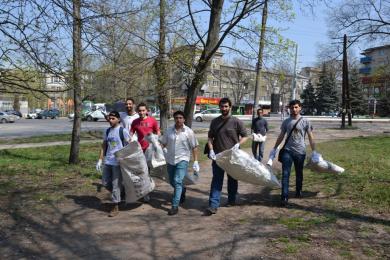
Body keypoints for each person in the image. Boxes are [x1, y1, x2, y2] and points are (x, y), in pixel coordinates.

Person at [269, 99, 316, 207]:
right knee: (285, 174)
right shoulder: (286, 122)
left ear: (300, 108)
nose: (294, 109)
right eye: (292, 107)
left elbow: (310, 136)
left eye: (296, 107)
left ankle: (298, 190)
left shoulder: (306, 121)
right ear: (289, 109)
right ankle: (284, 196)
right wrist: (275, 148)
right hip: (287, 152)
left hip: (300, 152)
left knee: (299, 173)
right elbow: (281, 135)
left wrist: (314, 151)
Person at [205, 97, 249, 216]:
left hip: (233, 157)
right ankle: (213, 205)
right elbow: (210, 138)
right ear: (219, 107)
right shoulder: (214, 122)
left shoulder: (236, 122)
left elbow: (245, 136)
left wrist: (238, 144)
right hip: (218, 156)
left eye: (226, 106)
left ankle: (231, 199)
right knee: (216, 181)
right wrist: (211, 150)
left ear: (230, 107)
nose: (224, 108)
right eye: (222, 106)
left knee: (232, 179)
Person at [160, 111, 199, 216]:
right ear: (174, 119)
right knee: (172, 181)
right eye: (176, 118)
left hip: (183, 159)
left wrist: (195, 161)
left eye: (181, 117)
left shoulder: (189, 132)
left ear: (184, 119)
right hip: (170, 160)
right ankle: (182, 189)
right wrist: (160, 149)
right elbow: (163, 143)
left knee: (177, 181)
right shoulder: (169, 131)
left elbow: (194, 147)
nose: (178, 119)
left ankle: (174, 206)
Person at [96, 111, 130, 217]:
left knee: (116, 185)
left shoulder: (122, 131)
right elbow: (104, 146)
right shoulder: (107, 131)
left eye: (113, 119)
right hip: (108, 161)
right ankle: (121, 193)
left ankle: (115, 206)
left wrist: (125, 159)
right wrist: (100, 160)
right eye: (109, 119)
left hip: (118, 162)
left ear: (118, 119)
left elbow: (129, 146)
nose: (110, 121)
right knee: (105, 183)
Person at [130, 102, 160, 202]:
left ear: (147, 111)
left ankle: (146, 191)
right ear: (137, 111)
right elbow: (131, 133)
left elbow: (158, 132)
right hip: (139, 150)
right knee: (142, 171)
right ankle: (145, 191)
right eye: (139, 111)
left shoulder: (152, 120)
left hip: (150, 149)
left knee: (147, 171)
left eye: (143, 110)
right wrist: (129, 139)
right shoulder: (135, 122)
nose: (141, 112)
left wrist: (155, 138)